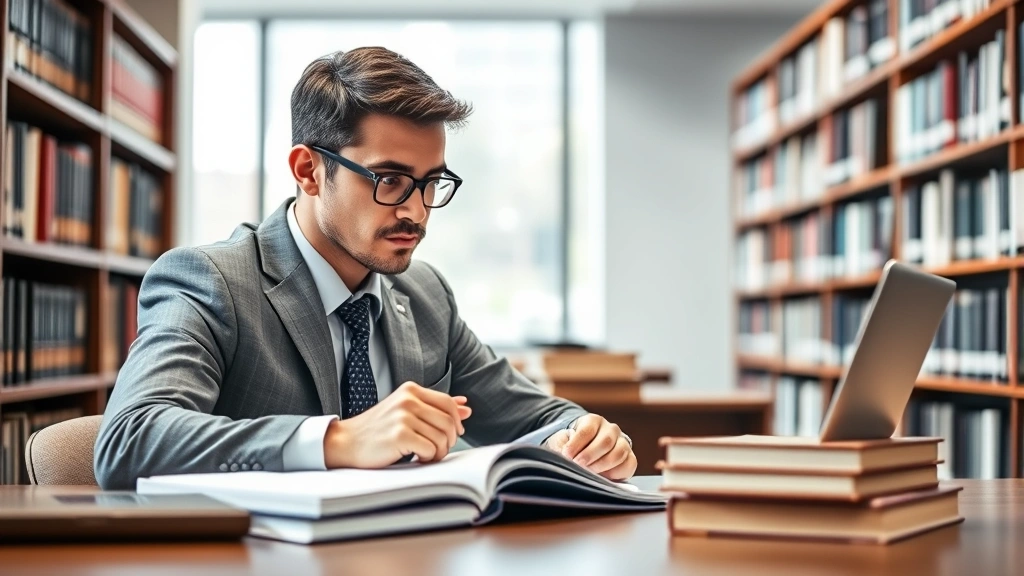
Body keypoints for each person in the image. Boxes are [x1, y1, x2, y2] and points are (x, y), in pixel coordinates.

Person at [94, 47, 636, 490]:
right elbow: (129, 439)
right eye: (390, 180)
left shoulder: (425, 294)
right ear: (308, 170)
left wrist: (585, 436)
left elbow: (536, 417)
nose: (416, 211)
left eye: (431, 183)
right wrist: (339, 441)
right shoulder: (212, 280)